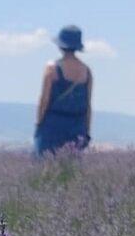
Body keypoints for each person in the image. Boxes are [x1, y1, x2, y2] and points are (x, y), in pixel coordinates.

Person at [34, 26, 93, 155]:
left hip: (53, 125)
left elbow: (44, 99)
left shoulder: (52, 68)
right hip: (77, 126)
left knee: (45, 167)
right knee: (72, 168)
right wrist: (86, 132)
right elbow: (88, 105)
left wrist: (38, 123)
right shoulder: (86, 71)